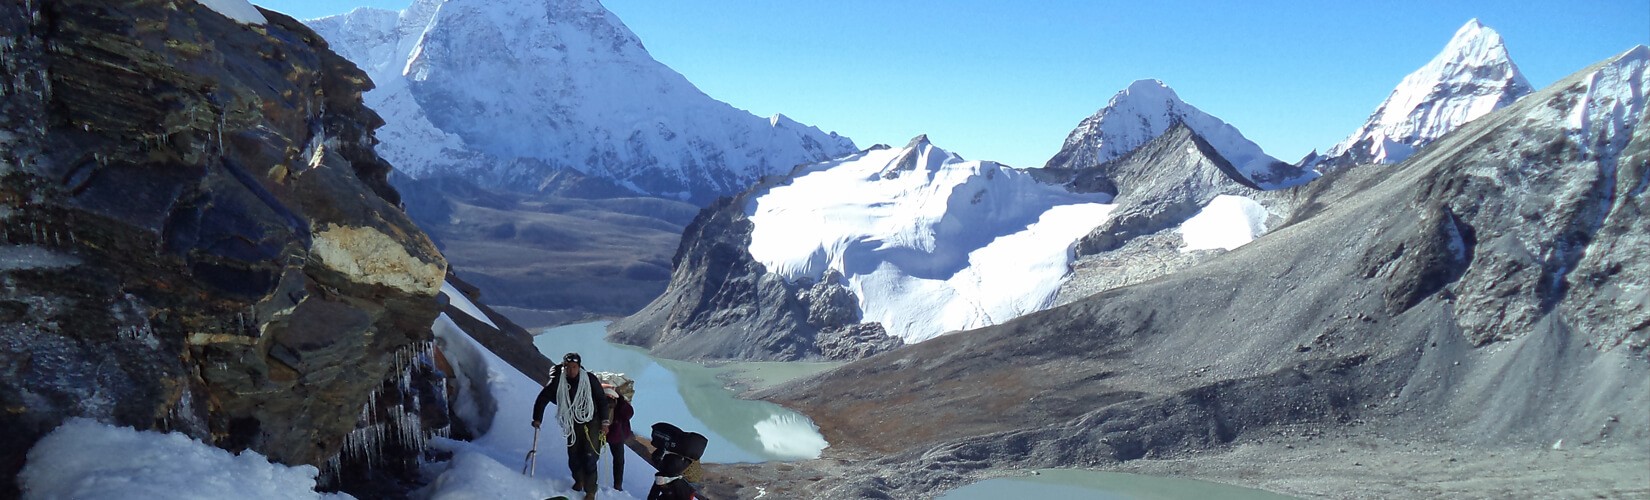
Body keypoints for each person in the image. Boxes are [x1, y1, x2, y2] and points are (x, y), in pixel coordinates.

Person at [532, 353, 610, 499]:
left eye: (574, 367)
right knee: (574, 455)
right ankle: (578, 479)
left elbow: (601, 400)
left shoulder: (589, 379)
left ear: (579, 367)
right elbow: (543, 398)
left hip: (591, 421)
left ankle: (590, 490)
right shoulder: (558, 381)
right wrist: (537, 418)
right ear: (564, 367)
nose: (571, 371)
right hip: (572, 422)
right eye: (568, 367)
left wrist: (605, 422)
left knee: (590, 456)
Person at [604, 384, 634, 491]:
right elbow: (629, 414)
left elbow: (628, 413)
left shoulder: (619, 404)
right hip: (614, 435)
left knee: (618, 460)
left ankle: (617, 484)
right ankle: (617, 485)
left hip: (609, 434)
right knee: (618, 460)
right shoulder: (619, 404)